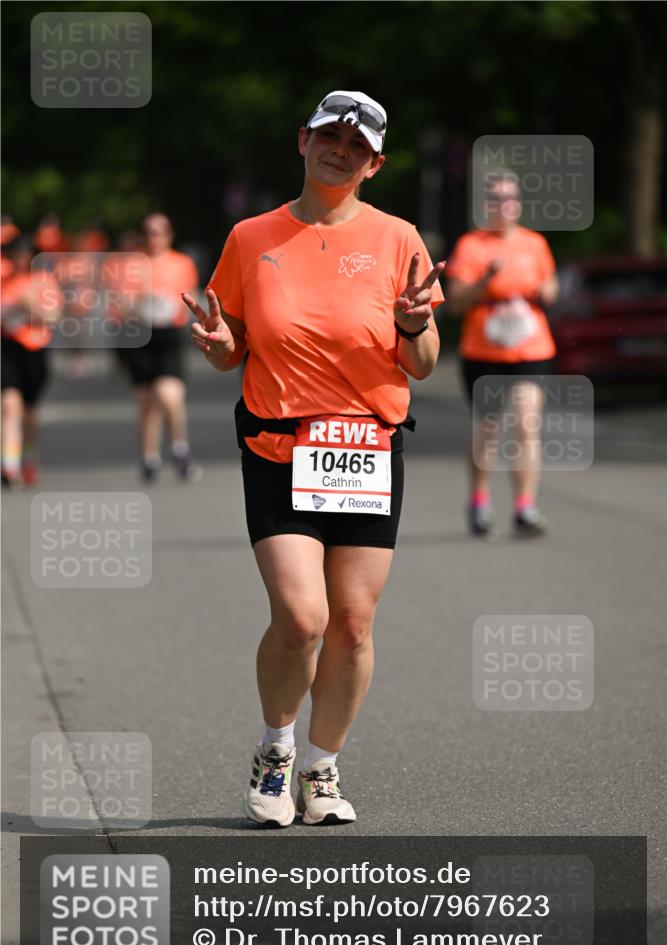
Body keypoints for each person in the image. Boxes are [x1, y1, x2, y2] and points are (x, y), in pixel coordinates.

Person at [183, 90, 445, 827]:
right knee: (301, 618)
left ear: (375, 163)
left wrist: (416, 322)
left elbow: (422, 363)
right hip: (277, 444)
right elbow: (231, 345)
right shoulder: (249, 237)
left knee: (352, 625)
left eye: (357, 145)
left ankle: (323, 768)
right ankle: (276, 751)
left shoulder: (399, 239)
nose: (341, 150)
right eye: (329, 135)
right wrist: (217, 348)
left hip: (366, 447)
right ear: (303, 140)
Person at [446, 172, 559, 537]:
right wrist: (485, 280)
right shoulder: (471, 246)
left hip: (531, 346)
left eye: (510, 199)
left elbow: (552, 286)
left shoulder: (534, 243)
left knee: (527, 423)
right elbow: (456, 304)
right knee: (490, 428)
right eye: (495, 199)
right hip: (484, 350)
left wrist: (547, 290)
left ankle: (525, 506)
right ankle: (479, 501)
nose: (503, 206)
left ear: (519, 204)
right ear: (486, 206)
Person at [117, 214, 202, 482]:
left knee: (169, 395)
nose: (155, 236)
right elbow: (120, 304)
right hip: (141, 334)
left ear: (169, 234)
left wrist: (177, 305)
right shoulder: (132, 264)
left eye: (160, 231)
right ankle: (149, 457)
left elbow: (192, 296)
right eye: (149, 231)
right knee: (146, 402)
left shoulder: (182, 262)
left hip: (168, 334)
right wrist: (140, 302)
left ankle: (180, 449)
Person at [1, 236, 62, 486]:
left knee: (29, 410)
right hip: (6, 347)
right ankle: (9, 464)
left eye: (25, 254)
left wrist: (30, 307)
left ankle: (29, 456)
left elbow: (53, 317)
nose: (20, 259)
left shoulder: (44, 282)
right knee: (9, 404)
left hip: (34, 349)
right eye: (15, 254)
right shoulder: (4, 280)